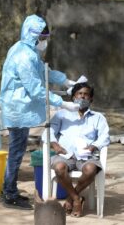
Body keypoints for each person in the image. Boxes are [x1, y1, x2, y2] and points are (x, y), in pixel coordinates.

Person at [0, 14, 80, 210]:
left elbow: (44, 72)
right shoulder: (24, 56)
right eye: (42, 39)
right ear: (32, 36)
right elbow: (35, 88)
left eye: (45, 38)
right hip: (18, 108)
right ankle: (9, 193)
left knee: (16, 151)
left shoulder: (26, 50)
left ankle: (9, 189)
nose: (44, 42)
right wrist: (62, 103)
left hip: (20, 107)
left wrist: (65, 81)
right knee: (16, 152)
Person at [42, 82, 110, 217]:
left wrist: (93, 146)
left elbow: (105, 137)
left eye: (86, 95)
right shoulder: (62, 114)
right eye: (79, 94)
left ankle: (70, 198)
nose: (82, 97)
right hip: (65, 154)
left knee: (91, 169)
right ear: (73, 97)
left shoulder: (98, 117)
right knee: (59, 167)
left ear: (91, 99)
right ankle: (77, 200)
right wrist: (55, 145)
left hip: (87, 155)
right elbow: (48, 132)